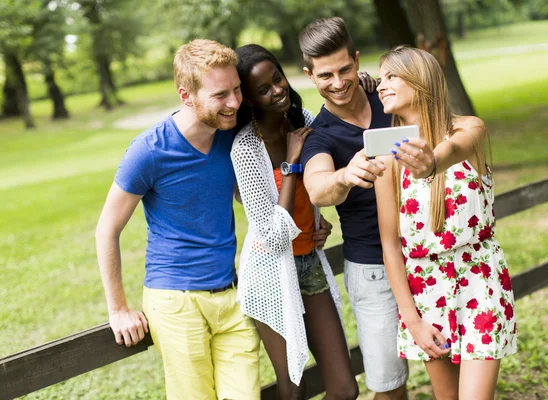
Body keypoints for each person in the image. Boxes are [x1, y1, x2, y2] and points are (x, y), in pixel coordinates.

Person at [95, 39, 260, 399]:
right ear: (186, 96)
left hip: (233, 298)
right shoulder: (149, 151)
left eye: (236, 90)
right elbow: (107, 228)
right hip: (176, 302)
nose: (233, 102)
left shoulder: (230, 135)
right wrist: (118, 308)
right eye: (220, 95)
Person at [374, 45, 517, 400]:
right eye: (379, 79)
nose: (381, 85)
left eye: (391, 75)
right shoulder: (386, 157)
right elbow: (390, 244)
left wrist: (430, 163)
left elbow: (452, 151)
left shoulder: (470, 129)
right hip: (425, 291)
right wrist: (413, 321)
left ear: (419, 80)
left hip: (478, 280)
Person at [230, 43, 359, 399]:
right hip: (269, 273)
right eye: (263, 89)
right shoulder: (244, 148)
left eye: (278, 79)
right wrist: (290, 165)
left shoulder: (305, 123)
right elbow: (272, 237)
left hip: (310, 263)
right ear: (249, 100)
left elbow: (323, 183)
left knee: (345, 389)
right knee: (292, 388)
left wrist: (319, 219)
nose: (277, 90)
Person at [298, 17, 409, 399]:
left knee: (451, 362)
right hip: (373, 270)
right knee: (390, 385)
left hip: (430, 255)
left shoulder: (392, 98)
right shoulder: (320, 137)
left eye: (346, 69)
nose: (339, 82)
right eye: (325, 74)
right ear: (310, 75)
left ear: (358, 60)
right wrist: (345, 175)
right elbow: (317, 188)